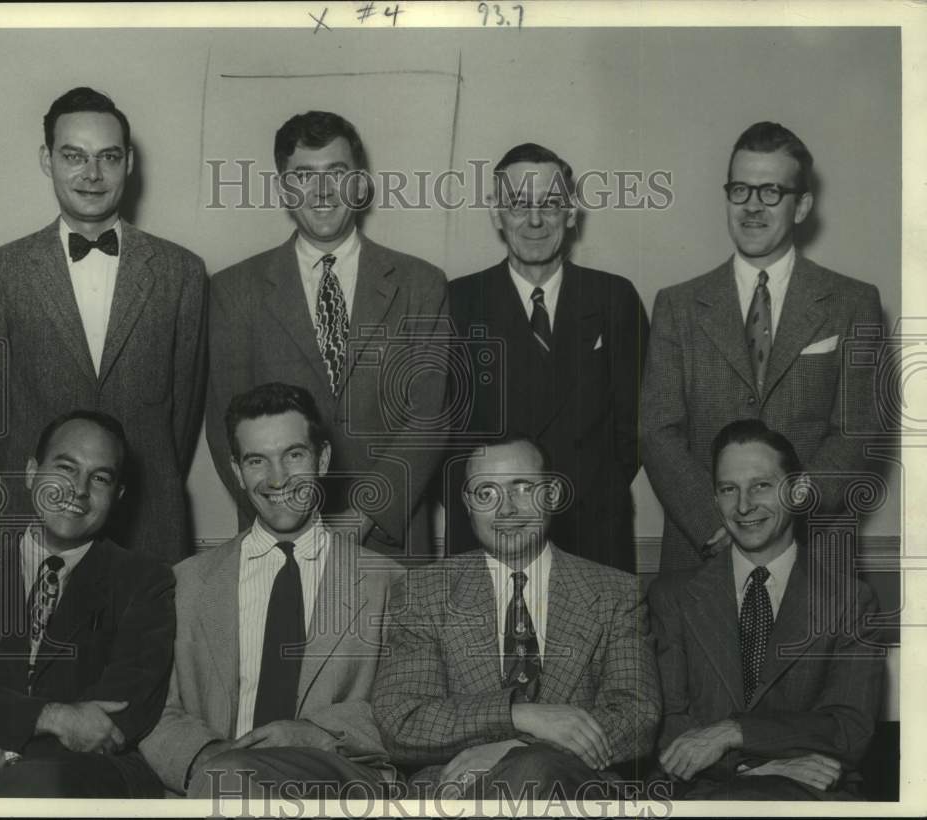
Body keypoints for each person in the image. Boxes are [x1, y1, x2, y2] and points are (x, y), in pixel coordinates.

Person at [0, 86, 208, 564]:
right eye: (74, 156)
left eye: (108, 158)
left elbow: (185, 411)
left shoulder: (183, 272)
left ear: (129, 163)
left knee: (147, 640)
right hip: (38, 520)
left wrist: (142, 482)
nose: (92, 174)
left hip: (150, 523)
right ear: (47, 159)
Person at [641, 121, 883, 572]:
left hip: (814, 554)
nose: (752, 206)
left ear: (801, 205)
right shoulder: (677, 305)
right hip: (703, 553)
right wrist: (717, 522)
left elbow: (857, 431)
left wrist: (786, 512)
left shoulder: (853, 302)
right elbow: (658, 432)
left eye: (770, 191)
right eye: (740, 190)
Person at [206, 110, 449, 557]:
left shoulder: (421, 284)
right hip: (278, 538)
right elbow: (225, 427)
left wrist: (363, 517)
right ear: (283, 189)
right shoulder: (232, 291)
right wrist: (287, 518)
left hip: (389, 540)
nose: (321, 191)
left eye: (337, 173)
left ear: (360, 184)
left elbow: (429, 418)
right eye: (303, 176)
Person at [140, 383, 400, 798]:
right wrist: (206, 756)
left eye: (293, 455)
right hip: (216, 784)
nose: (277, 478)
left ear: (323, 460)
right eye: (257, 460)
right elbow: (153, 706)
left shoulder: (388, 582)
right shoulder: (187, 582)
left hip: (337, 784)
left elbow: (408, 710)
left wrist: (314, 733)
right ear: (238, 471)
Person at [372, 434, 660, 800]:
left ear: (553, 494)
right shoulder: (423, 593)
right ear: (468, 504)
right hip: (454, 791)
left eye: (522, 488)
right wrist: (519, 715)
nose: (506, 509)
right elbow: (403, 722)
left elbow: (636, 720)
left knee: (533, 769)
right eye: (486, 493)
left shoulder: (616, 594)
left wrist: (513, 748)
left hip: (576, 791)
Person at [649, 419, 884, 800]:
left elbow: (847, 730)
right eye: (729, 489)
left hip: (809, 793)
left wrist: (734, 731)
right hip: (700, 794)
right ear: (715, 500)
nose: (743, 506)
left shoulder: (849, 601)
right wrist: (756, 768)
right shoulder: (672, 597)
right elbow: (668, 727)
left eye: (761, 485)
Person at [0, 411, 175, 797]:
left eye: (100, 478)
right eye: (66, 468)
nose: (78, 490)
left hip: (82, 779)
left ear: (118, 496)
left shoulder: (145, 582)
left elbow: (116, 721)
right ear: (31, 473)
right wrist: (52, 716)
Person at [447, 143, 649, 571]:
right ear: (495, 213)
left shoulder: (615, 299)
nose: (534, 220)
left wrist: (585, 492)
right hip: (489, 533)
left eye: (550, 204)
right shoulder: (457, 302)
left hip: (591, 531)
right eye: (518, 204)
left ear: (571, 213)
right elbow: (444, 435)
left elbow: (635, 429)